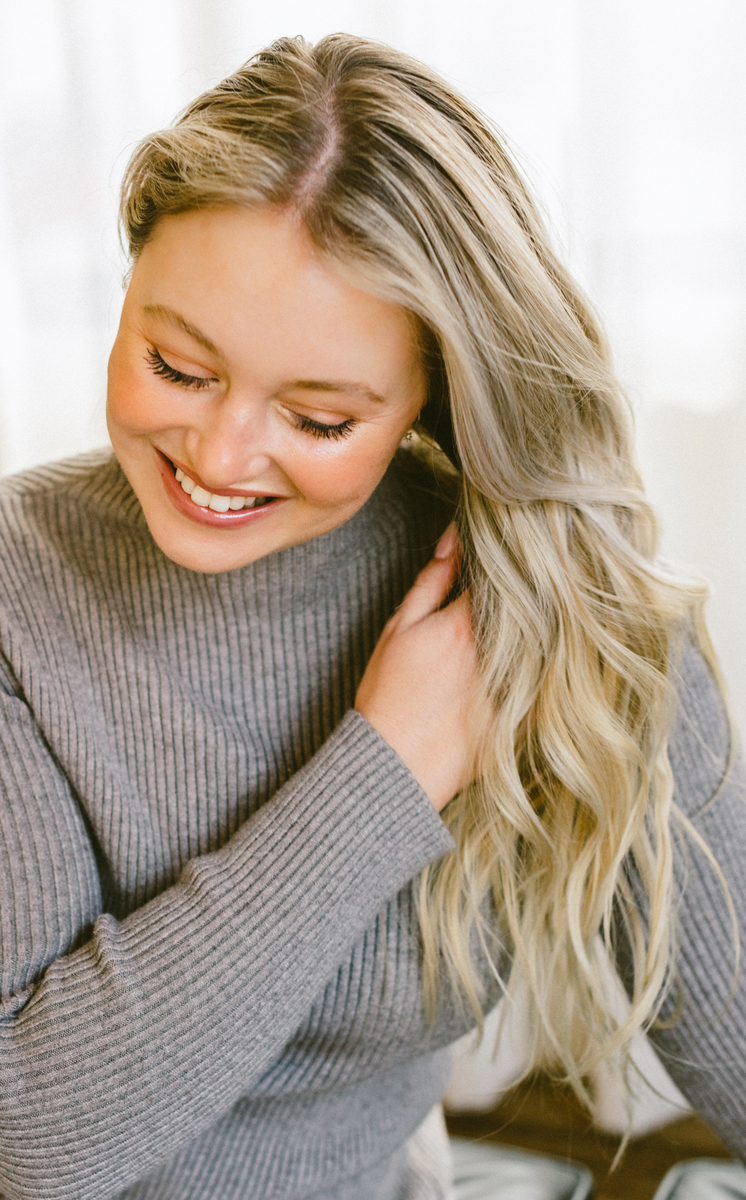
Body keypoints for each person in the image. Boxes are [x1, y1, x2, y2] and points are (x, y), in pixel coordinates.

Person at [0, 32, 743, 1200]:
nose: (221, 454)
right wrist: (387, 767)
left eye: (319, 418)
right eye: (177, 366)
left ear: (424, 398)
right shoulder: (17, 592)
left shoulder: (542, 596)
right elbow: (32, 1134)